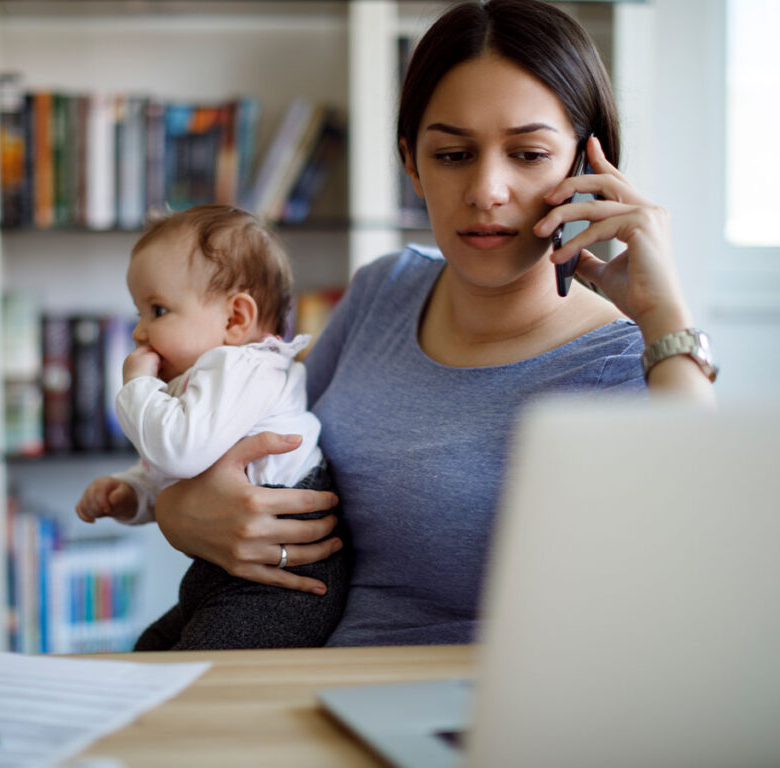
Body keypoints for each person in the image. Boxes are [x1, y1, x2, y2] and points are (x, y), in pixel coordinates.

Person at [147, 0, 718, 647]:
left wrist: (665, 317)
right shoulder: (384, 289)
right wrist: (175, 509)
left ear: (587, 168)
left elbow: (700, 566)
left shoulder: (630, 360)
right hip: (307, 684)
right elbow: (253, 443)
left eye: (528, 153)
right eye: (453, 154)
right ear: (412, 162)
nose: (487, 190)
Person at [75, 203, 349, 650]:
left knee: (198, 676)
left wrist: (137, 384)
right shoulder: (210, 376)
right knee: (150, 650)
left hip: (280, 584)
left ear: (235, 319)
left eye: (157, 310)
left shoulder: (243, 367)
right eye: (140, 313)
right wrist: (134, 492)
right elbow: (186, 470)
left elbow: (179, 451)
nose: (139, 332)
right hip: (227, 572)